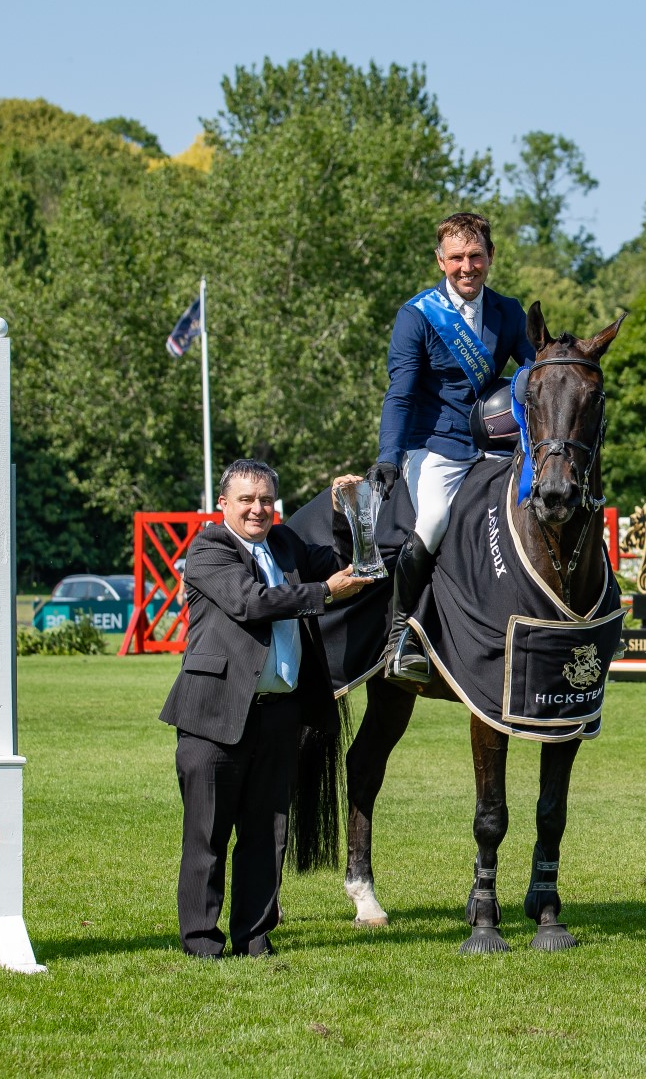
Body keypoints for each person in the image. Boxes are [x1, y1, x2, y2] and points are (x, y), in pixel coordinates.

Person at [159, 459, 370, 958]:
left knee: (266, 834)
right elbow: (250, 602)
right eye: (247, 500)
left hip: (280, 714)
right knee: (206, 838)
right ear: (224, 505)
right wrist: (324, 592)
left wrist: (345, 511)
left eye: (266, 500)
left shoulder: (284, 543)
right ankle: (201, 943)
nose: (258, 509)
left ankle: (254, 936)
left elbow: (340, 555)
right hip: (214, 714)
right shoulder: (209, 548)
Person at [367, 212, 539, 684]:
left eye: (476, 256)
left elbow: (535, 372)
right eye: (458, 258)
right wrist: (388, 455)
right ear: (441, 261)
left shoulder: (508, 311)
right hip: (435, 447)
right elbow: (399, 393)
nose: (468, 266)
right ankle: (399, 636)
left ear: (490, 257)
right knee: (435, 520)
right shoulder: (416, 316)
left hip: (493, 446)